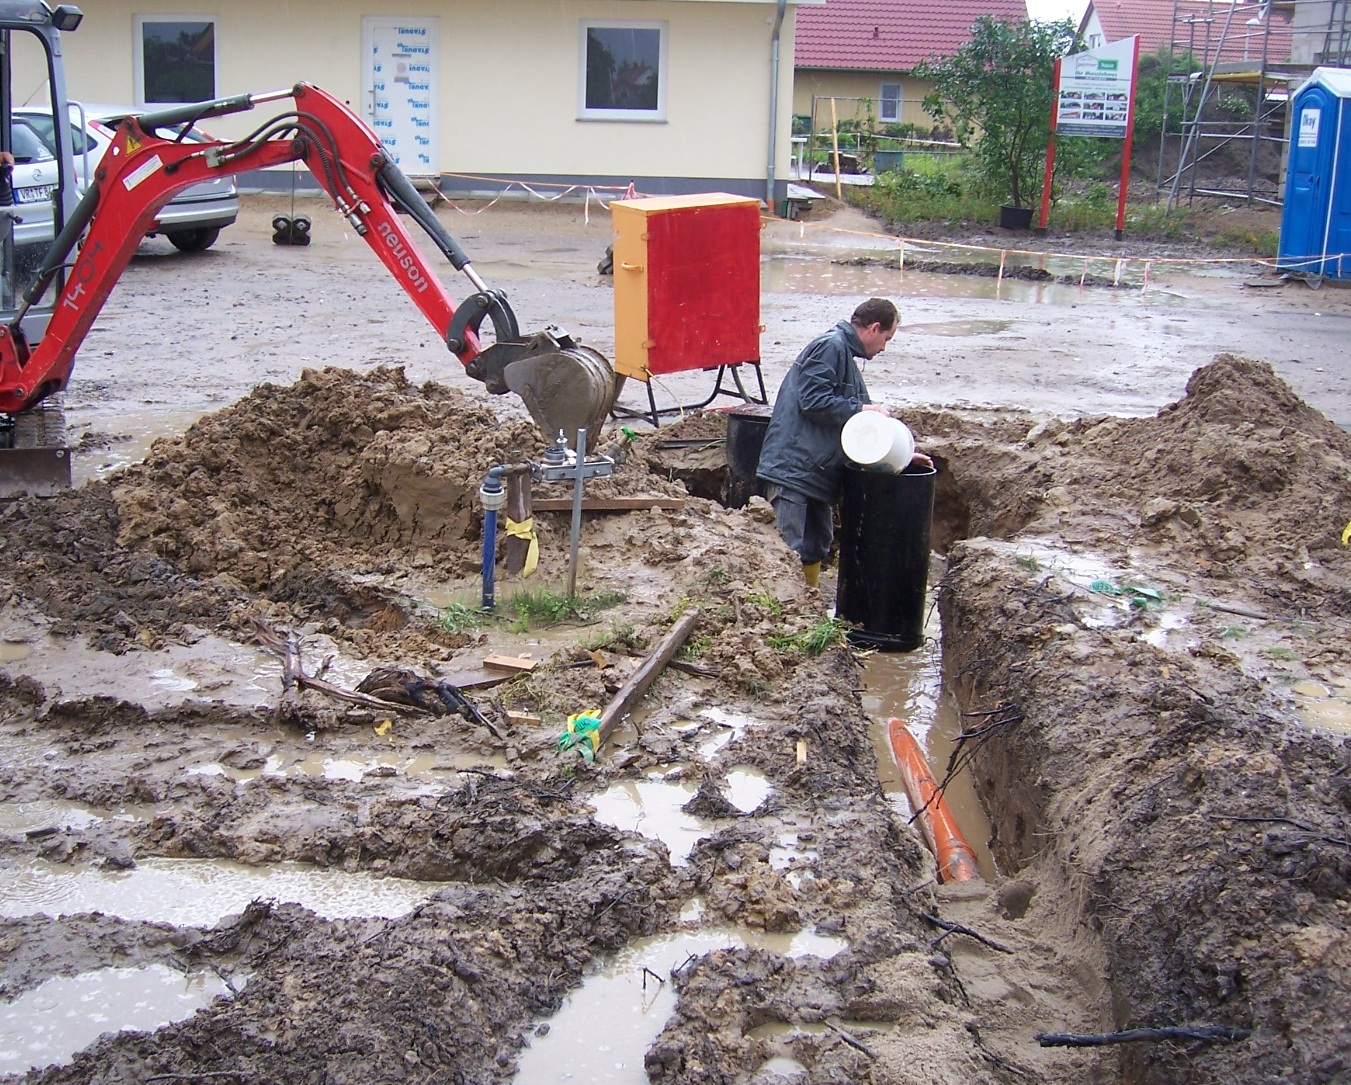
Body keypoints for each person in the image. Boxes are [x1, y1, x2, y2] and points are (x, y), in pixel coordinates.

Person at [756, 297, 931, 586]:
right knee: (787, 547)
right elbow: (813, 400)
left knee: (817, 543)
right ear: (874, 328)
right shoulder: (830, 347)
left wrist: (899, 456)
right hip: (794, 468)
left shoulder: (844, 357)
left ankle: (806, 607)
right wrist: (861, 408)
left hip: (816, 471)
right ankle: (782, 613)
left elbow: (861, 432)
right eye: (887, 338)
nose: (884, 347)